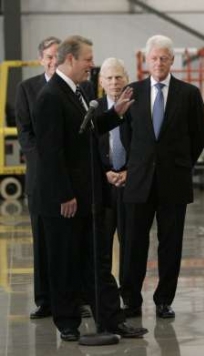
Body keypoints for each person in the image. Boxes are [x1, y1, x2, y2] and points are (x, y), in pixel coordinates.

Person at [32, 35, 147, 341]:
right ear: (70, 59)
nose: (91, 65)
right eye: (87, 59)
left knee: (96, 260)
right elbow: (50, 152)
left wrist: (115, 114)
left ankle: (111, 320)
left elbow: (88, 129)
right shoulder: (49, 97)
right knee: (65, 262)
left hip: (87, 196)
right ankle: (67, 323)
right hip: (65, 199)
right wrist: (64, 195)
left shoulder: (78, 91)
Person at [120, 35, 204, 319]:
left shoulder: (189, 94)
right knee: (134, 242)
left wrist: (181, 164)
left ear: (172, 60)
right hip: (140, 180)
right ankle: (131, 300)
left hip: (174, 180)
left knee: (171, 243)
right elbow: (126, 135)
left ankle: (163, 300)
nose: (159, 63)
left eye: (164, 58)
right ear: (147, 60)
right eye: (154, 58)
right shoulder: (132, 92)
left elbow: (198, 136)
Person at [15, 36, 60, 320]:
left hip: (71, 176)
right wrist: (45, 163)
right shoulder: (27, 88)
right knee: (42, 239)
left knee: (72, 241)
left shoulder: (77, 87)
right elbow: (25, 132)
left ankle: (76, 296)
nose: (54, 61)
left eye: (59, 56)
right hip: (41, 177)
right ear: (41, 59)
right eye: (50, 56)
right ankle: (44, 300)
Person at [96, 58, 130, 283]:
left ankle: (129, 295)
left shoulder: (136, 107)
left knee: (130, 244)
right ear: (101, 81)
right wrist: (104, 172)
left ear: (126, 79)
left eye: (119, 77)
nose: (114, 82)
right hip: (103, 185)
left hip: (130, 184)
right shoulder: (93, 108)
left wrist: (130, 171)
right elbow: (87, 147)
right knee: (102, 245)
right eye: (109, 78)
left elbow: (143, 145)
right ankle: (104, 293)